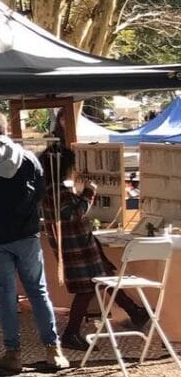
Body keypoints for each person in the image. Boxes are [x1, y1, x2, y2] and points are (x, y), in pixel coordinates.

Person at [0, 110, 69, 372]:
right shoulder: (29, 159)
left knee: (6, 295)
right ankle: (53, 350)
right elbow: (41, 193)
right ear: (6, 129)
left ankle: (12, 352)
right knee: (37, 290)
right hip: (26, 233)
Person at [41, 148, 148, 351]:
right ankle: (71, 333)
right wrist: (88, 194)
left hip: (81, 249)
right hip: (77, 251)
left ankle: (135, 312)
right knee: (86, 290)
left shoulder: (54, 192)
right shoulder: (58, 194)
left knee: (105, 277)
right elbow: (74, 214)